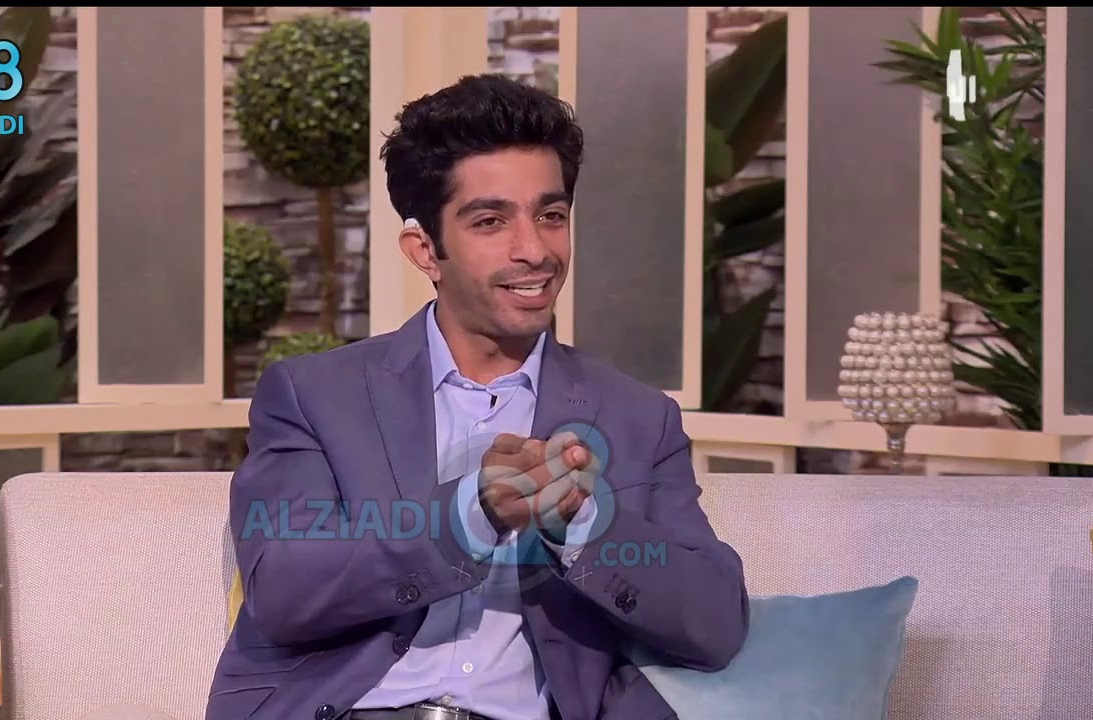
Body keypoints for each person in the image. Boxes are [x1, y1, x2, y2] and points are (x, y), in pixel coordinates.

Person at [206, 73, 749, 720]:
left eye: (550, 216)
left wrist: (581, 521)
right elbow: (283, 590)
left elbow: (715, 624)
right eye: (490, 221)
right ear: (425, 250)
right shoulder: (314, 396)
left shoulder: (637, 417)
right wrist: (471, 513)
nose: (534, 250)